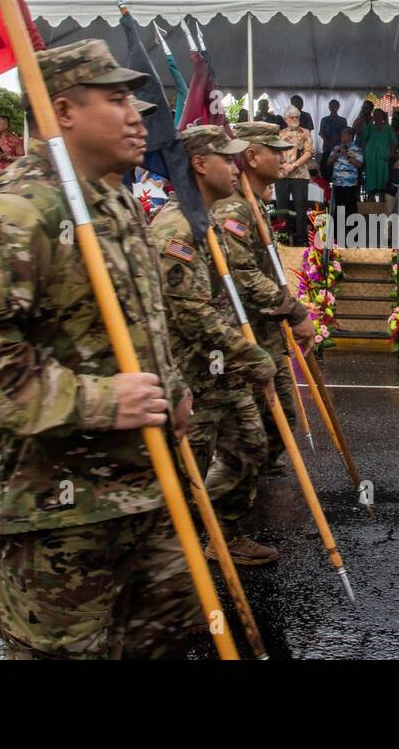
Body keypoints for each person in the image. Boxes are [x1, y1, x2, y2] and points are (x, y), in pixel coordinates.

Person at [0, 40, 196, 659]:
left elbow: (141, 323)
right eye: (117, 98)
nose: (137, 114)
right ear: (64, 111)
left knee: (163, 638)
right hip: (59, 507)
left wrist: (173, 392)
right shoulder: (22, 206)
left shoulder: (112, 198)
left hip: (144, 487)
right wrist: (98, 401)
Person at [151, 125, 279, 565]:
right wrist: (253, 354)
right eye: (227, 158)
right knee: (186, 468)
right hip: (191, 370)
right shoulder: (177, 227)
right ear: (199, 165)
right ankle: (171, 557)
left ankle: (223, 532)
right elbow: (192, 316)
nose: (235, 165)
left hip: (223, 366)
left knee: (250, 443)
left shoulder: (208, 219)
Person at [212, 122, 317, 472]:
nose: (284, 155)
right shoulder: (234, 208)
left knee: (282, 414)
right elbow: (243, 276)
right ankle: (233, 489)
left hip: (265, 330)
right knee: (247, 430)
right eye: (275, 150)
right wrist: (294, 311)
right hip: (242, 332)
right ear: (252, 157)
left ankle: (252, 472)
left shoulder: (254, 204)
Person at [275, 106, 314, 243]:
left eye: (297, 116)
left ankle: (301, 239)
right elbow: (274, 153)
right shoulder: (279, 134)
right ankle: (282, 238)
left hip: (300, 175)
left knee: (301, 207)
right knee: (282, 208)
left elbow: (309, 152)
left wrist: (294, 165)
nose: (295, 119)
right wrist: (284, 164)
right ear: (286, 119)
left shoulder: (305, 132)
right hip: (282, 174)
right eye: (292, 117)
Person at [360, 108, 397, 199]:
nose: (377, 117)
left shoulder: (388, 128)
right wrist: (369, 123)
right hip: (370, 157)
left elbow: (394, 142)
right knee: (371, 176)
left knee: (383, 177)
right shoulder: (370, 127)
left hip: (383, 157)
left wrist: (390, 154)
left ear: (382, 116)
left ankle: (383, 200)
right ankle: (371, 201)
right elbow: (363, 138)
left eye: (379, 115)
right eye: (375, 115)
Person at [328, 126, 363, 221]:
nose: (342, 136)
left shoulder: (356, 149)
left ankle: (353, 230)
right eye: (342, 133)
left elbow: (359, 164)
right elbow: (328, 162)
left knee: (350, 207)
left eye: (344, 134)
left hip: (349, 184)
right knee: (338, 207)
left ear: (350, 136)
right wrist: (336, 154)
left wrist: (346, 155)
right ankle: (337, 231)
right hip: (337, 183)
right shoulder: (336, 147)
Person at [318, 99, 348, 173]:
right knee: (326, 168)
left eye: (335, 106)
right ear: (329, 107)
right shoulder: (324, 120)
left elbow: (345, 133)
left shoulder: (343, 120)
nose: (333, 107)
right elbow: (321, 132)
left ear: (338, 107)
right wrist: (327, 141)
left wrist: (337, 140)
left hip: (339, 147)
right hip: (327, 146)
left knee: (339, 167)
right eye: (331, 106)